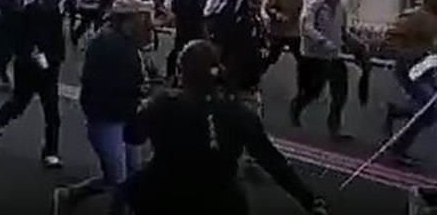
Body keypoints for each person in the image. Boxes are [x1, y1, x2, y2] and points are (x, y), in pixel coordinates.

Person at [125, 40, 328, 215]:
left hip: (164, 197)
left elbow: (132, 136)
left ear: (181, 72)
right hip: (220, 201)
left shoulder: (161, 104)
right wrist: (308, 199)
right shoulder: (239, 113)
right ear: (217, 72)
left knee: (133, 188)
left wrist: (142, 105)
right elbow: (272, 161)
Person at [52, 1, 148, 215]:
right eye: (136, 18)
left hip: (128, 113)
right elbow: (92, 81)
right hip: (107, 116)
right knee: (118, 176)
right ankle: (78, 197)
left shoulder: (129, 43)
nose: (140, 23)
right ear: (124, 20)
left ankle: (74, 196)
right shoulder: (105, 42)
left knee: (130, 174)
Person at [0, 0, 66, 169]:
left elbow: (58, 41)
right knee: (19, 103)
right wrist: (28, 53)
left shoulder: (56, 15)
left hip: (49, 68)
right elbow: (16, 37)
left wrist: (55, 59)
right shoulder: (26, 12)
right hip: (27, 67)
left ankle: (51, 151)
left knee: (52, 112)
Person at [291, 0, 365, 140]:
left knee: (340, 94)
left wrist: (356, 43)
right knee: (313, 92)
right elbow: (307, 28)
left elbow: (343, 31)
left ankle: (335, 129)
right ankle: (296, 108)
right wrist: (323, 41)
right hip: (314, 55)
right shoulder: (314, 5)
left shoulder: (340, 8)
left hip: (334, 55)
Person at [383, 0, 437, 165]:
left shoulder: (434, 16)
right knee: (428, 108)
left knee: (430, 111)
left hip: (428, 67)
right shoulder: (414, 15)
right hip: (410, 67)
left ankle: (397, 111)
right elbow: (391, 37)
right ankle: (397, 149)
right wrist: (408, 55)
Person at [263, 0, 304, 68]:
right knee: (272, 57)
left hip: (293, 31)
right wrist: (277, 15)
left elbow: (299, 9)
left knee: (300, 57)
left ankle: (306, 79)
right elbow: (268, 7)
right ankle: (259, 74)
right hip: (278, 31)